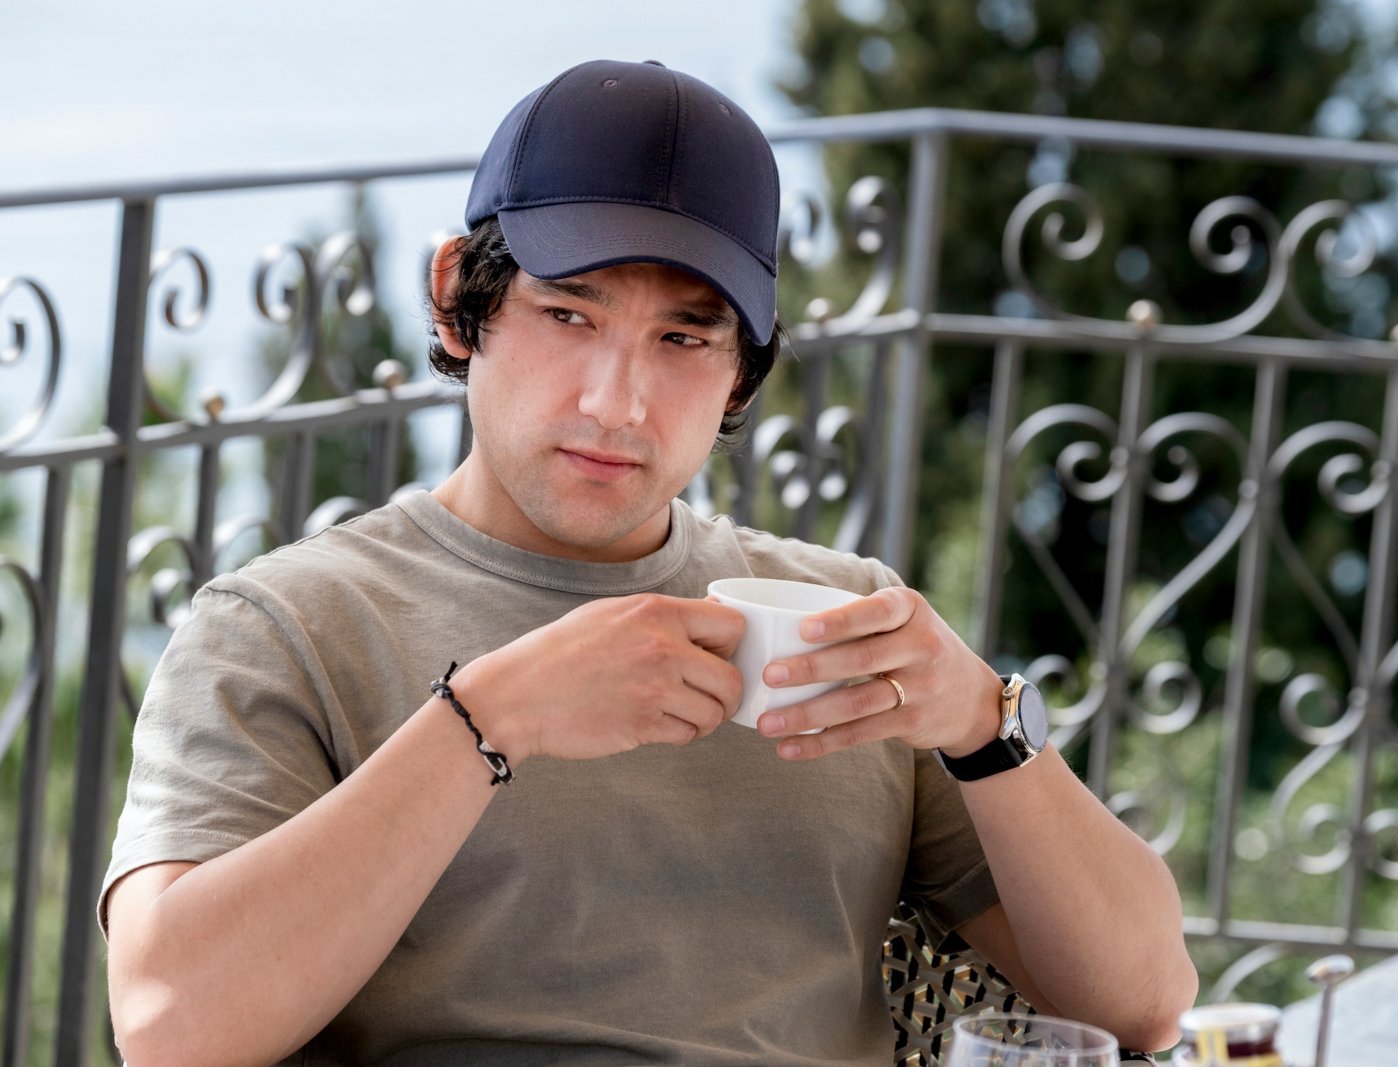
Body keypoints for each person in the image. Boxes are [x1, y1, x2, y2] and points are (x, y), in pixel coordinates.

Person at [103, 58, 1198, 1067]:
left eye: (684, 338)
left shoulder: (841, 621)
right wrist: (483, 723)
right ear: (457, 299)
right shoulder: (290, 623)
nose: (615, 403)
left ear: (741, 374)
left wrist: (983, 721)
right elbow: (168, 1025)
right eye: (568, 312)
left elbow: (1140, 1005)